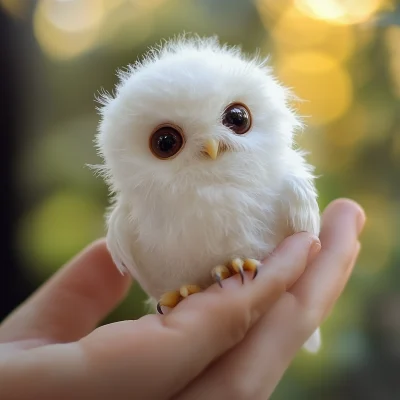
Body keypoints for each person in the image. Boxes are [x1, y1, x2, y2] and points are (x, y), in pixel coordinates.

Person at [0, 199, 365, 399]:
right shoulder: (131, 217)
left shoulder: (286, 185)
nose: (210, 146)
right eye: (167, 142)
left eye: (236, 120)